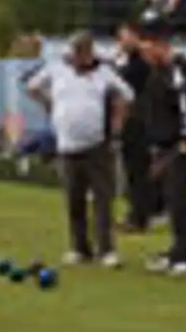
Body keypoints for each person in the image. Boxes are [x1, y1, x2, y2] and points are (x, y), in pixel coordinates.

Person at [28, 32, 133, 268]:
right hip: (67, 144)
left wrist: (116, 127)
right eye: (76, 54)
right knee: (74, 198)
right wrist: (52, 107)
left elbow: (126, 96)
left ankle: (106, 249)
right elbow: (32, 87)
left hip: (97, 144)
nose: (78, 59)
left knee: (103, 198)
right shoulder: (56, 69)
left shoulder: (103, 73)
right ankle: (79, 248)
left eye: (83, 54)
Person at [139, 24, 186, 275]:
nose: (145, 56)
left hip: (182, 144)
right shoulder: (157, 72)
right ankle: (177, 248)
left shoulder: (180, 70)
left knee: (181, 198)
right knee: (170, 197)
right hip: (164, 143)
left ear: (160, 46)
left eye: (147, 50)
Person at [114, 22, 159, 232]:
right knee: (133, 171)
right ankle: (138, 212)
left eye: (124, 37)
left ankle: (140, 216)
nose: (120, 42)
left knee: (138, 171)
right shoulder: (130, 61)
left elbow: (124, 84)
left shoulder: (141, 64)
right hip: (132, 121)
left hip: (139, 122)